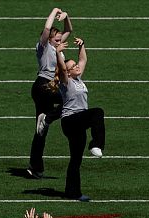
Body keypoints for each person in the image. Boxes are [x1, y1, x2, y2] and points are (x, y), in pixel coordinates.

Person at [55, 37, 105, 202]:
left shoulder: (78, 79)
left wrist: (82, 45)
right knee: (98, 112)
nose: (77, 66)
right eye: (73, 66)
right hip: (70, 121)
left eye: (76, 65)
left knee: (76, 159)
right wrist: (57, 52)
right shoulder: (66, 82)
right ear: (68, 72)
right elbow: (62, 68)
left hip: (79, 122)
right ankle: (96, 144)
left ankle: (72, 192)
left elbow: (83, 59)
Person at [26, 8, 72, 180]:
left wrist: (66, 17)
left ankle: (35, 167)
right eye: (57, 38)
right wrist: (54, 11)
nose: (60, 39)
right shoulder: (44, 47)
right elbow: (46, 29)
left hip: (50, 87)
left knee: (41, 132)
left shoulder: (57, 46)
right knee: (69, 100)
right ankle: (47, 118)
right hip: (43, 86)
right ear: (50, 39)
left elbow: (68, 30)